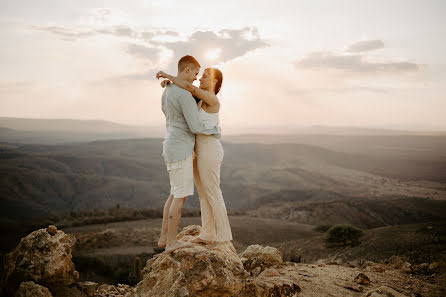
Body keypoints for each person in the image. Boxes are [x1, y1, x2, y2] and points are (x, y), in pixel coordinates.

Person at [156, 66, 233, 246]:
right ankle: (207, 234)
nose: (201, 78)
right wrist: (170, 85)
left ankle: (223, 237)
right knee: (204, 194)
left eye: (205, 76)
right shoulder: (197, 100)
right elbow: (183, 93)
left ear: (215, 82)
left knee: (213, 192)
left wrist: (169, 76)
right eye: (201, 75)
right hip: (197, 150)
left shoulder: (213, 99)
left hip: (209, 149)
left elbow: (189, 87)